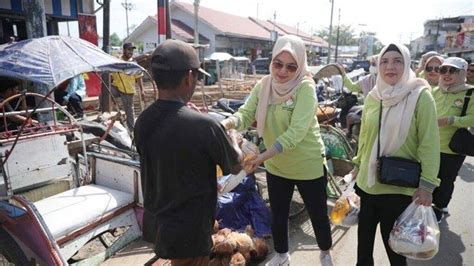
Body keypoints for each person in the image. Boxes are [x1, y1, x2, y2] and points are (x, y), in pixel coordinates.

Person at [221, 35, 334, 266]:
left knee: (318, 215)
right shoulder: (264, 85)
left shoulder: (305, 87)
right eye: (278, 64)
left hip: (307, 164)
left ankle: (325, 252)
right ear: (271, 61)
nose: (282, 71)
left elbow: (295, 133)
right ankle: (282, 255)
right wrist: (226, 124)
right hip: (277, 165)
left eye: (291, 66)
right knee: (278, 215)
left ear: (300, 65)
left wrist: (261, 157)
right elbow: (246, 113)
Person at [134, 39, 243, 266]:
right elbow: (235, 165)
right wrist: (233, 139)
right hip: (191, 229)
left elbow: (171, 148)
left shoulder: (143, 120)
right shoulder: (205, 126)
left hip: (159, 222)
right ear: (188, 77)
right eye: (196, 77)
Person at [351, 43, 440, 265]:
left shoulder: (420, 96)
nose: (390, 66)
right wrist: (357, 164)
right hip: (368, 184)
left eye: (397, 60)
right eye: (385, 61)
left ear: (407, 63)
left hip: (398, 188)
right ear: (378, 65)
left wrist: (428, 185)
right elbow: (365, 136)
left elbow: (429, 143)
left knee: (396, 251)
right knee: (363, 251)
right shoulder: (374, 96)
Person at [431, 57, 474, 222]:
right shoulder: (434, 91)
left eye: (453, 70)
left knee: (446, 180)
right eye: (443, 70)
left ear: (462, 73)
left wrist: (451, 120)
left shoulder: (469, 93)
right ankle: (427, 206)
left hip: (452, 148)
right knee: (428, 177)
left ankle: (439, 208)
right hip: (430, 146)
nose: (447, 74)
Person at [110, 43, 145, 131]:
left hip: (128, 89)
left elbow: (139, 77)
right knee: (106, 93)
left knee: (129, 111)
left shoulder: (134, 63)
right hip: (117, 86)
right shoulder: (117, 61)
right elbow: (111, 74)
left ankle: (131, 130)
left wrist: (142, 90)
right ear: (124, 50)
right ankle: (107, 114)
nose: (131, 52)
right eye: (129, 50)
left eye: (132, 50)